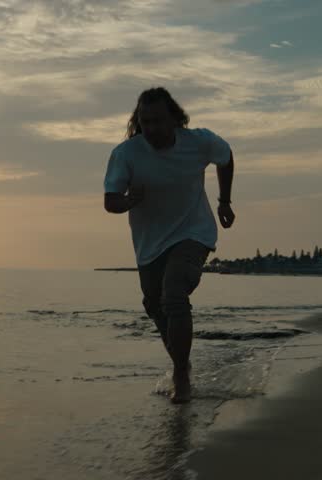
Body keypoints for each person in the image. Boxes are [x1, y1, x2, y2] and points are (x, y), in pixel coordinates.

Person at [103, 87, 235, 404]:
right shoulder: (127, 153)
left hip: (194, 232)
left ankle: (180, 375)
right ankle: (181, 361)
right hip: (150, 244)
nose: (152, 129)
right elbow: (110, 202)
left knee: (174, 292)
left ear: (175, 119)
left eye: (159, 121)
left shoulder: (199, 141)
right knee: (154, 304)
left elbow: (226, 157)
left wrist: (225, 201)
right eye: (145, 122)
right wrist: (127, 201)